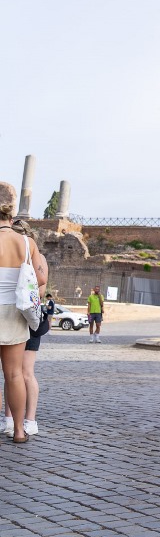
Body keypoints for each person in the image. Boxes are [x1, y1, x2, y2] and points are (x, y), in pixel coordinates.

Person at [0, 181, 48, 444]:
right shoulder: (26, 242)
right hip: (14, 313)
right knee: (14, 374)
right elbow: (40, 279)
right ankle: (19, 430)